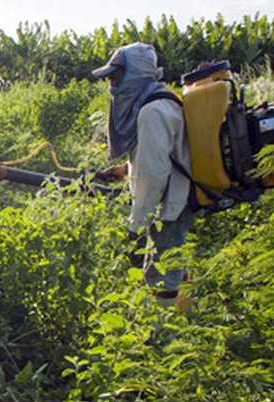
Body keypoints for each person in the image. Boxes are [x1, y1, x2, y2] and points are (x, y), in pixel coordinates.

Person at [93, 42, 194, 310]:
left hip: (171, 203)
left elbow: (153, 178)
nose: (113, 85)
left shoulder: (151, 111)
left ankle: (166, 336)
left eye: (117, 77)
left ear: (136, 73)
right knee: (173, 262)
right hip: (175, 195)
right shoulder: (157, 99)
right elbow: (162, 153)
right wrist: (126, 169)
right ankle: (187, 317)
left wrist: (135, 227)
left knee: (160, 275)